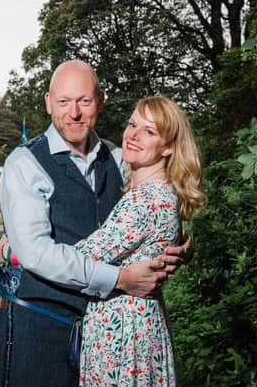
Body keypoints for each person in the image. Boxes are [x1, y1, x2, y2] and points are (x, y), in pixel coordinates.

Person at [0, 60, 191, 387]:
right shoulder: (24, 163)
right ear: (48, 102)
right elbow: (36, 253)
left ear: (101, 101)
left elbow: (157, 203)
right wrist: (121, 278)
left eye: (84, 101)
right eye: (64, 102)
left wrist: (175, 245)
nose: (74, 113)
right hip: (39, 324)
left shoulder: (120, 157)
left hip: (108, 333)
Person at [74, 95, 206, 385]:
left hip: (123, 338)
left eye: (149, 131)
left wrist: (20, 247)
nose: (132, 135)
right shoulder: (161, 192)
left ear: (169, 147)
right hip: (138, 328)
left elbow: (80, 259)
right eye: (132, 124)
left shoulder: (144, 201)